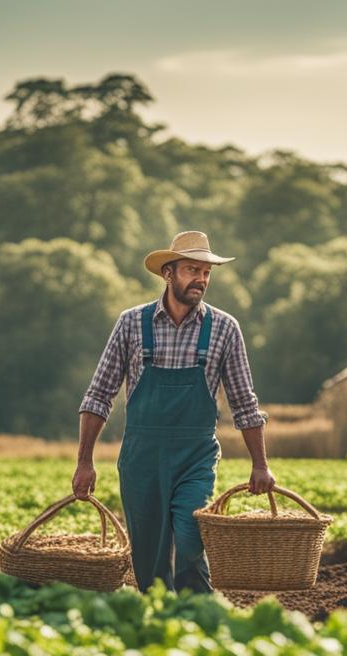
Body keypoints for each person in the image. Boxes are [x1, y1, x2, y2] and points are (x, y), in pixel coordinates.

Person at [73, 231, 275, 593]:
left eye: (206, 272)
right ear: (169, 274)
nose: (201, 279)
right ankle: (160, 627)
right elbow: (99, 395)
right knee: (149, 563)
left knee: (190, 537)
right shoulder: (132, 324)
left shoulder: (225, 329)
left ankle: (199, 616)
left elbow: (245, 403)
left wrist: (260, 464)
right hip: (141, 459)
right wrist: (84, 461)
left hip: (195, 457)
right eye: (192, 270)